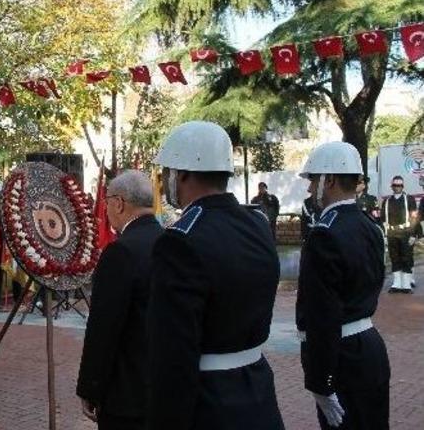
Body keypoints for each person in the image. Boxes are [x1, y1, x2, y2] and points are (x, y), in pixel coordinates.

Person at [147, 121, 284, 430]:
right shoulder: (258, 225)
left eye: (167, 171)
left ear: (181, 174)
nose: (165, 180)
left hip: (209, 404)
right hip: (258, 391)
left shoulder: (179, 241)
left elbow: (172, 354)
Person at [296, 141, 391, 429]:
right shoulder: (370, 227)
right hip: (370, 349)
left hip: (343, 357)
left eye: (314, 180)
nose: (310, 188)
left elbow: (323, 315)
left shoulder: (324, 234)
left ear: (330, 180)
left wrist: (320, 381)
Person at [77, 170, 162, 430]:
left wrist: (90, 387)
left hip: (128, 393)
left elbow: (104, 327)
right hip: (166, 384)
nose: (105, 210)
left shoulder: (120, 252)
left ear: (119, 203)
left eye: (107, 201)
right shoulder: (172, 241)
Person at [380, 175, 417, 293]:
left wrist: (413, 234)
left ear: (403, 186)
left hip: (405, 232)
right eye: (395, 185)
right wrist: (385, 235)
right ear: (391, 186)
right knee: (394, 257)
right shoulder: (387, 201)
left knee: (406, 257)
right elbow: (383, 219)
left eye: (400, 185)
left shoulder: (409, 199)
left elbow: (414, 218)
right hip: (391, 233)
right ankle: (397, 283)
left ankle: (406, 284)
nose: (397, 187)